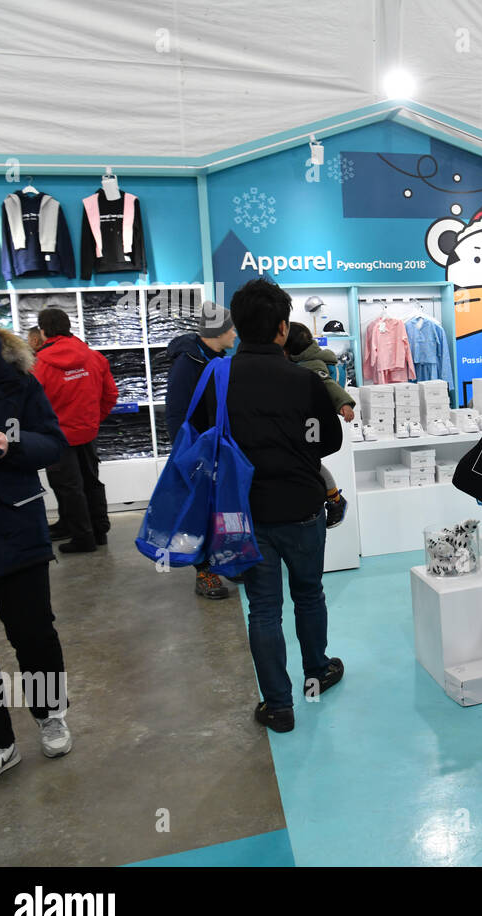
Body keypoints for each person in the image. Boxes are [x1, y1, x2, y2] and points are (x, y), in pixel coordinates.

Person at [188, 279, 344, 733]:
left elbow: (201, 435)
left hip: (242, 511)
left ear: (238, 326)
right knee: (309, 592)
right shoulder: (304, 380)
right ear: (281, 328)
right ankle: (316, 672)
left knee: (263, 608)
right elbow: (327, 441)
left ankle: (278, 706)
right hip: (300, 506)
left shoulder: (216, 378)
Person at [0, 300, 72, 794]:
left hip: (15, 528)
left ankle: (51, 715)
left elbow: (54, 442)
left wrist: (12, 447)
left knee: (33, 634)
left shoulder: (17, 382)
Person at [163, 301, 238, 599]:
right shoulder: (188, 362)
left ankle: (228, 562)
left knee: (224, 508)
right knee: (199, 512)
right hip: (197, 449)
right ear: (217, 331)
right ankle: (204, 572)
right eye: (230, 328)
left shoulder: (217, 358)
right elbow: (177, 412)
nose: (235, 333)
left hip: (219, 446)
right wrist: (186, 453)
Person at [31, 308, 117, 553]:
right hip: (87, 431)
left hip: (58, 436)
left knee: (67, 487)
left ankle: (83, 538)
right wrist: (93, 419)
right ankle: (99, 531)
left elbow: (34, 403)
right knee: (91, 481)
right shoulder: (93, 356)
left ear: (44, 331)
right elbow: (110, 394)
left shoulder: (39, 364)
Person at [284, 321, 355, 528]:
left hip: (312, 423)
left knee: (310, 461)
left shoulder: (311, 364)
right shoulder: (307, 360)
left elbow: (329, 385)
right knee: (307, 461)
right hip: (308, 421)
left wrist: (344, 404)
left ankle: (335, 500)